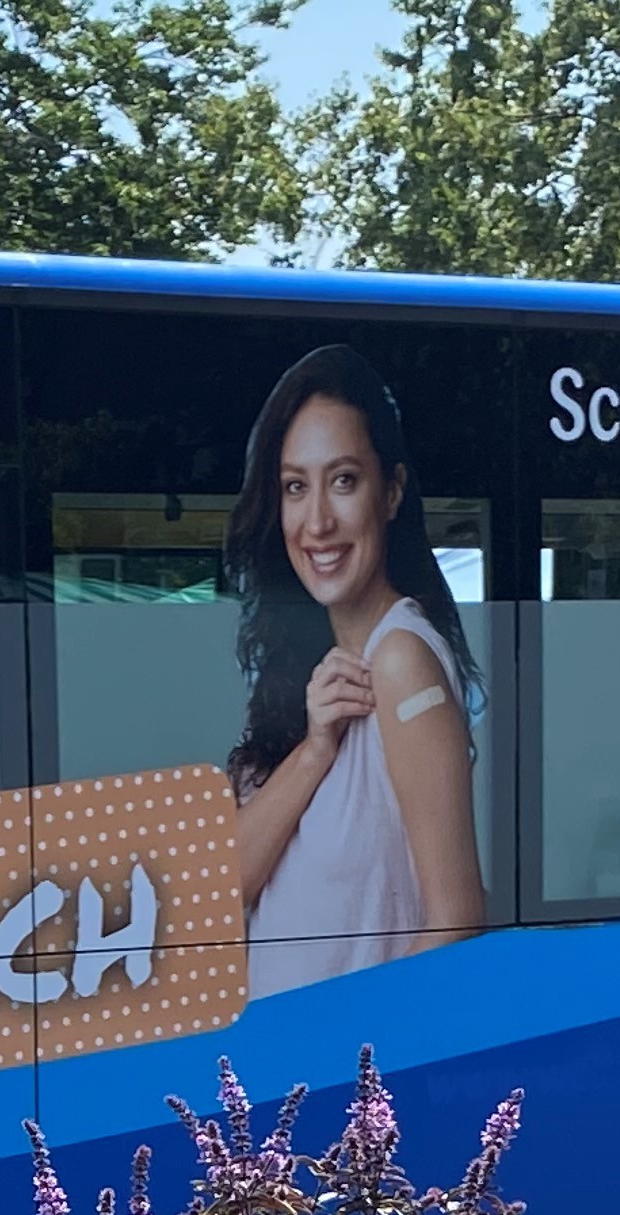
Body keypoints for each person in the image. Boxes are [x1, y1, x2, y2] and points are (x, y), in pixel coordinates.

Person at [226, 345, 486, 1000]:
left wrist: (361, 1054)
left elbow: (456, 920)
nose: (317, 521)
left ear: (391, 491)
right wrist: (316, 750)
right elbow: (224, 890)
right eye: (296, 487)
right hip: (277, 1056)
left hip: (346, 1061)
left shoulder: (400, 660)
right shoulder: (312, 669)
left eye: (343, 480)